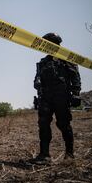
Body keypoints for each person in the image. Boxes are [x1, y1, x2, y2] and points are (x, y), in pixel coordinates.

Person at [32, 33, 81, 164]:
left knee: (63, 124)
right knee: (43, 124)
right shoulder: (43, 62)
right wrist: (37, 82)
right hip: (45, 98)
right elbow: (37, 78)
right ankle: (44, 155)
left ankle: (69, 154)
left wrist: (76, 93)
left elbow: (75, 77)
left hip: (61, 96)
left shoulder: (66, 59)